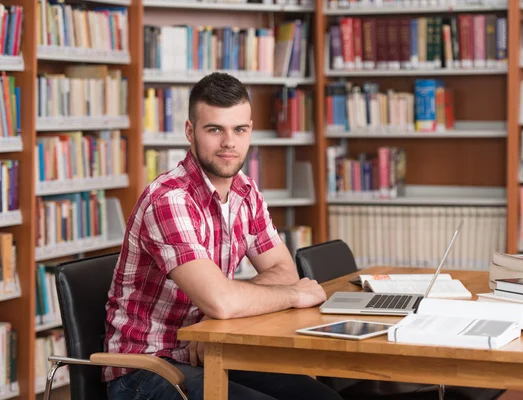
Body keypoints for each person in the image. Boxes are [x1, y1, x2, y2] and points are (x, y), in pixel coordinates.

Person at [102, 72, 343, 400]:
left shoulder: (246, 191)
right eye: (215, 129)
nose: (229, 142)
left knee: (324, 398)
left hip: (212, 348)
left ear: (250, 132)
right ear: (190, 131)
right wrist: (291, 295)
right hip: (147, 368)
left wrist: (215, 312)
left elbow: (283, 272)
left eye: (239, 129)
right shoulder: (169, 200)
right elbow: (227, 300)